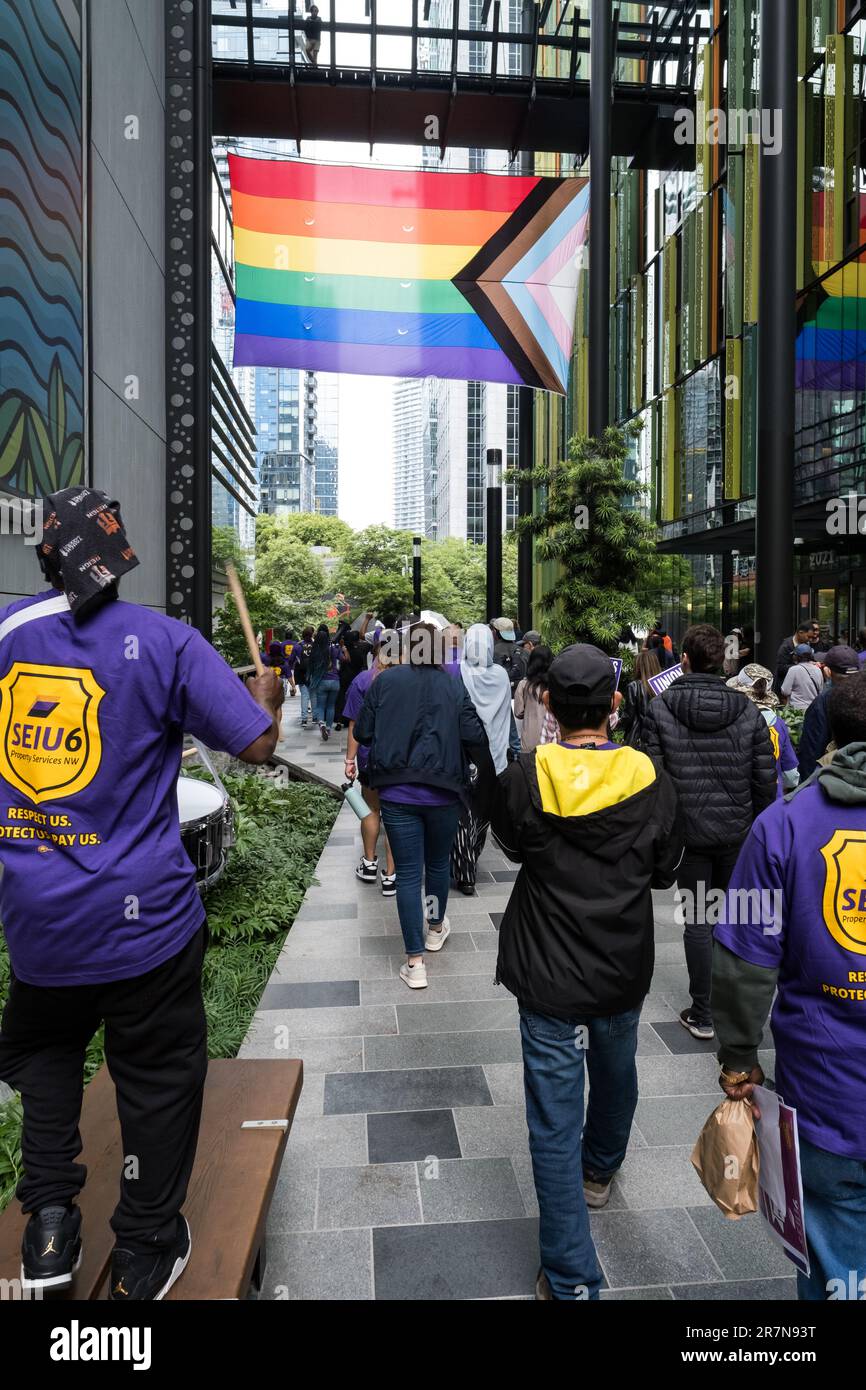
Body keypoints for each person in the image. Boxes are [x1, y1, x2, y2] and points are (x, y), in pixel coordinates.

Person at [0, 488, 282, 1300]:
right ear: (121, 558)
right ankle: (149, 1244)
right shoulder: (167, 641)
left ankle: (50, 1228)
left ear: (46, 555)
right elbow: (258, 746)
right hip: (145, 923)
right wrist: (265, 703)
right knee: (157, 1077)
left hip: (39, 921)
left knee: (45, 1055)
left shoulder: (11, 635)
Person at [491, 645, 684, 1301]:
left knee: (551, 1120)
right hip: (621, 961)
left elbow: (512, 845)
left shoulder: (525, 773)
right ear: (615, 703)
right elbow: (665, 868)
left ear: (547, 702)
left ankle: (572, 1278)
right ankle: (599, 1168)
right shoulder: (649, 776)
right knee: (616, 1064)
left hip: (546, 967)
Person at [711, 674, 866, 1300]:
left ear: (825, 732)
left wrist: (740, 1061)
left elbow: (743, 963)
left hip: (828, 1096)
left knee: (837, 1273)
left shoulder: (783, 825)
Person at [640, 624, 777, 1040]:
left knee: (699, 920)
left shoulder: (660, 708)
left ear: (684, 658)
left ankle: (703, 1012)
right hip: (738, 831)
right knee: (735, 918)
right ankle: (734, 1008)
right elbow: (764, 779)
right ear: (724, 661)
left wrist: (660, 834)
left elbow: (653, 778)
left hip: (689, 835)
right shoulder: (748, 710)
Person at [354, 622, 493, 990]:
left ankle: (414, 962)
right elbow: (474, 734)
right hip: (445, 793)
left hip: (397, 794)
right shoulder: (452, 684)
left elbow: (363, 732)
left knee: (408, 874)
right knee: (436, 866)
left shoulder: (385, 682)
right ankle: (435, 929)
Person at [450, 624, 512, 895]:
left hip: (466, 754)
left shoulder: (458, 673)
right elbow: (505, 719)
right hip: (495, 756)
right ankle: (473, 856)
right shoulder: (500, 675)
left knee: (464, 811)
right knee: (485, 811)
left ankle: (464, 869)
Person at [344, 630, 398, 897]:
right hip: (400, 760)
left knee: (371, 811)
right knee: (396, 816)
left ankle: (368, 864)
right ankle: (391, 876)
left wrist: (349, 760)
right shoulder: (406, 681)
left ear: (375, 651)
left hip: (369, 759)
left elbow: (354, 725)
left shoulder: (362, 681)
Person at [725, 665, 799, 798]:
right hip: (772, 801)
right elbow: (791, 776)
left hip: (738, 800)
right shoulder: (778, 724)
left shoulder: (731, 721)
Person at [798, 645, 862, 780]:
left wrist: (806, 789)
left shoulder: (823, 702)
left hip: (835, 780)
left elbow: (811, 751)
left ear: (827, 671)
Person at [513, 644, 554, 752]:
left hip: (529, 743)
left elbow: (518, 712)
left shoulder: (524, 685)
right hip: (552, 743)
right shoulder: (556, 685)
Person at [618, 649, 661, 749]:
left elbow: (629, 715)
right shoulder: (661, 685)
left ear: (638, 667)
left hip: (639, 738)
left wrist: (616, 724)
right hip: (659, 738)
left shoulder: (634, 686)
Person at [309, 623, 341, 740]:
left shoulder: (315, 650)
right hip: (335, 681)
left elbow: (311, 666)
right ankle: (328, 728)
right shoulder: (333, 648)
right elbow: (342, 659)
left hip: (322, 681)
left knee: (321, 706)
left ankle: (321, 723)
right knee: (331, 706)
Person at [776, 618, 820, 692]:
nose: (810, 640)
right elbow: (781, 668)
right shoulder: (786, 646)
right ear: (800, 632)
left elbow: (811, 660)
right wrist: (801, 667)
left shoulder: (807, 644)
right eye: (808, 637)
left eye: (811, 637)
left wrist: (814, 663)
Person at [781, 642, 823, 709]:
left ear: (796, 657)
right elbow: (820, 691)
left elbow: (785, 691)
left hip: (796, 711)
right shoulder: (817, 670)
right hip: (813, 709)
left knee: (779, 719)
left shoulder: (793, 669)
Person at [291, 625, 315, 726]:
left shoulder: (297, 646)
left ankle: (304, 719)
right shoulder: (316, 645)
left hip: (301, 674)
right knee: (313, 696)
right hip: (313, 673)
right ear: (312, 634)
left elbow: (291, 660)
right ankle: (315, 717)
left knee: (304, 696)